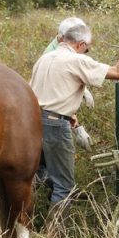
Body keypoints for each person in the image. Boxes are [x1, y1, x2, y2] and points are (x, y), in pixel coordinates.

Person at [30, 23, 119, 205]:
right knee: (64, 186)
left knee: (35, 176)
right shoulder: (76, 60)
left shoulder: (45, 58)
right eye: (87, 49)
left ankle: (25, 224)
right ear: (80, 44)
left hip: (31, 122)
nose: (86, 53)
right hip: (55, 126)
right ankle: (55, 233)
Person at [44, 17, 94, 150]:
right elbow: (55, 93)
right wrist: (72, 119)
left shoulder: (65, 48)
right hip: (50, 117)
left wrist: (84, 91)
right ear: (62, 38)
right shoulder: (52, 55)